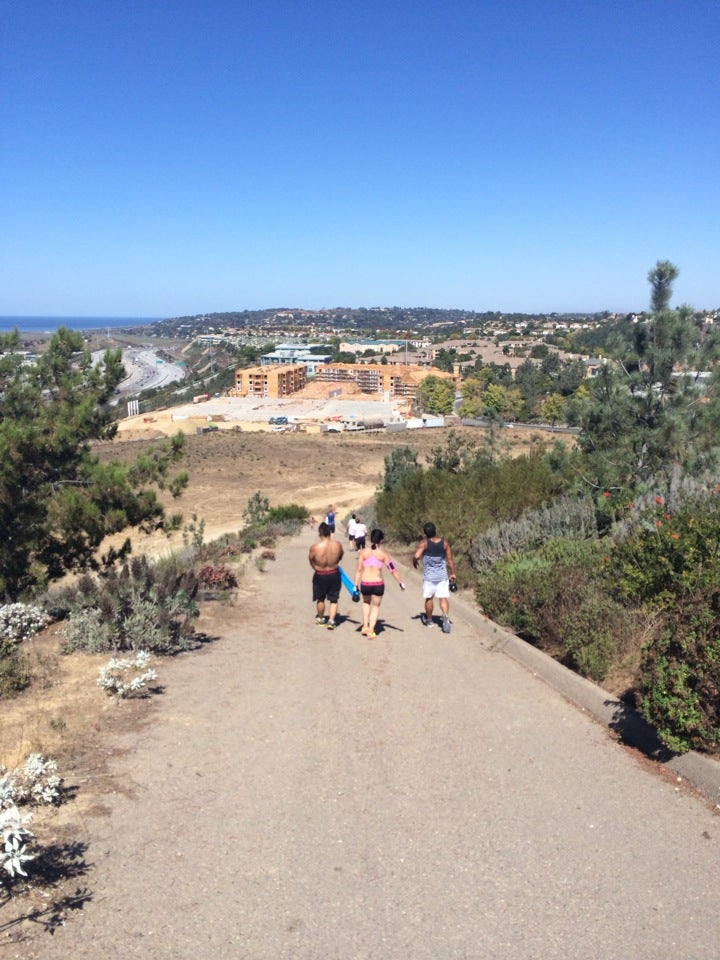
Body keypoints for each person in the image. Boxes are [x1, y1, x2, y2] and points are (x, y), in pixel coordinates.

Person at [354, 528, 405, 638]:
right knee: (376, 607)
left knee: (366, 603)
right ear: (381, 541)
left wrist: (355, 585)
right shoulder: (383, 554)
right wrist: (400, 582)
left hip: (365, 584)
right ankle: (372, 630)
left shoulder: (363, 553)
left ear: (371, 538)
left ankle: (365, 626)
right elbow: (393, 569)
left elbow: (358, 569)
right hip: (378, 584)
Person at [413, 521, 457, 633]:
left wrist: (414, 562)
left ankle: (429, 620)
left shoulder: (424, 543)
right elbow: (450, 560)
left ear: (425, 533)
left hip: (429, 577)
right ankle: (445, 617)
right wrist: (453, 573)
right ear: (435, 531)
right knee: (443, 598)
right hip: (442, 576)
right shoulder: (444, 543)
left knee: (429, 598)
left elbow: (417, 556)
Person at [308, 521, 344, 629]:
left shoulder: (315, 547)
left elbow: (311, 560)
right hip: (334, 573)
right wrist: (334, 563)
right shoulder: (338, 544)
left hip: (320, 574)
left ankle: (321, 618)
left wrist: (317, 568)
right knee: (334, 599)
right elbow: (341, 555)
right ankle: (332, 621)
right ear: (329, 532)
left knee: (320, 598)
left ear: (319, 533)